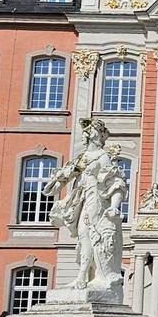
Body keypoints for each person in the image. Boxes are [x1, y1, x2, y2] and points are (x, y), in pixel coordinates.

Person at [44, 119, 127, 290]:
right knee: (83, 235)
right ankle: (82, 276)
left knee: (93, 235)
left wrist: (114, 206)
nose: (86, 136)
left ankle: (93, 276)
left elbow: (117, 183)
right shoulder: (82, 158)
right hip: (81, 200)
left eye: (89, 133)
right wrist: (57, 180)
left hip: (97, 201)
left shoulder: (103, 157)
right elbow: (61, 181)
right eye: (87, 133)